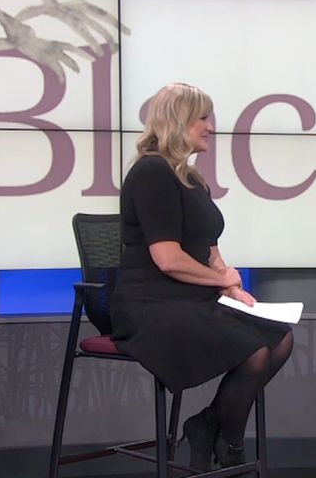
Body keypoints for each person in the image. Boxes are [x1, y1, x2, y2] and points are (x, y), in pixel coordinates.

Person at [110, 82, 294, 471]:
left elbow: (209, 249)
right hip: (151, 304)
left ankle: (207, 424)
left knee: (280, 339)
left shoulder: (192, 179)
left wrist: (231, 285)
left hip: (191, 297)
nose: (210, 127)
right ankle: (231, 447)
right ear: (178, 121)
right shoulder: (151, 172)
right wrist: (220, 281)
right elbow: (168, 259)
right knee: (255, 352)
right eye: (202, 118)